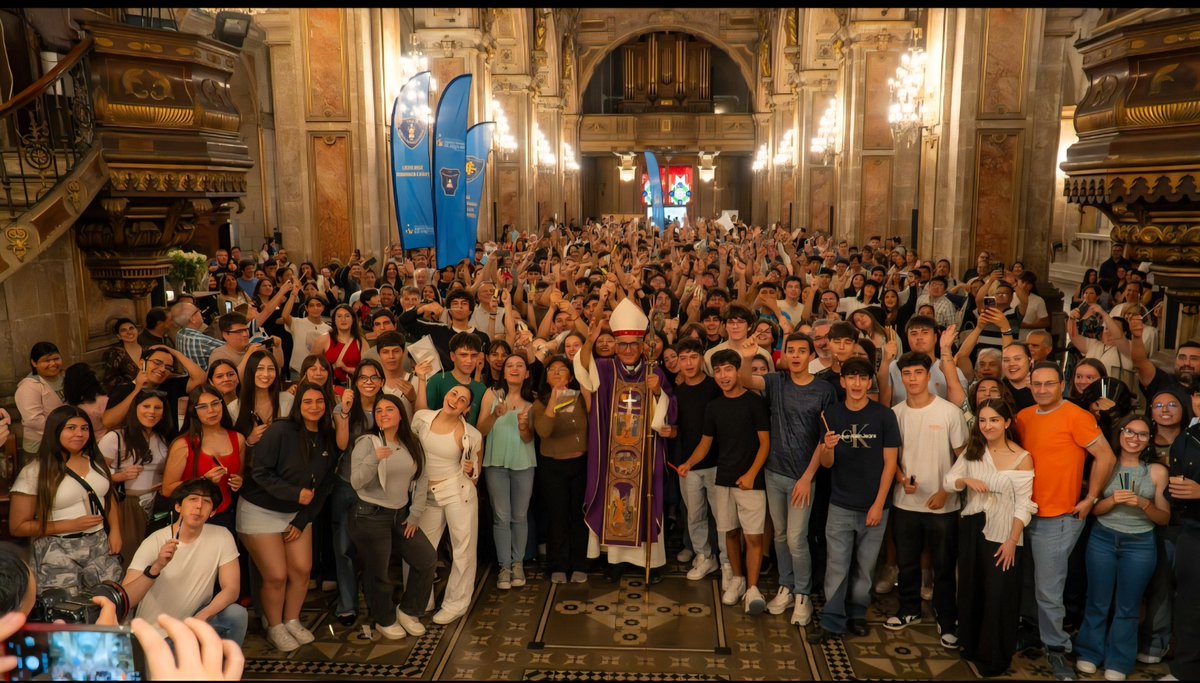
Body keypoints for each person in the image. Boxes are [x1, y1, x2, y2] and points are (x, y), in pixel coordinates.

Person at [1014, 361, 1117, 680]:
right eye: (1037, 384)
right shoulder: (1024, 417)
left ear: (1062, 384)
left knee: (1049, 588)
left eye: (1049, 383)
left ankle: (1057, 648)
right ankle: (1034, 633)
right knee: (1029, 583)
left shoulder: (1077, 415)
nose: (1042, 389)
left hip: (1059, 517)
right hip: (1025, 513)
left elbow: (1107, 456)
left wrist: (1092, 498)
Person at [735, 332, 835, 625]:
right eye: (790, 350)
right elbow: (745, 381)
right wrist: (747, 356)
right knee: (779, 535)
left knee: (796, 538)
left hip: (803, 477)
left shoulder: (823, 390)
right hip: (774, 472)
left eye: (801, 351)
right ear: (784, 354)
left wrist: (807, 477)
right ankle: (786, 586)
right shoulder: (776, 382)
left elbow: (824, 439)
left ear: (809, 356)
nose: (795, 356)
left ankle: (803, 594)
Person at [575, 298, 677, 582]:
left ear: (643, 345)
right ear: (616, 347)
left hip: (646, 451)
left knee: (646, 494)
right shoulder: (606, 369)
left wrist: (658, 393)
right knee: (615, 498)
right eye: (623, 345)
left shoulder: (654, 371)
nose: (629, 350)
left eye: (634, 344)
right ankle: (615, 561)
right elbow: (583, 369)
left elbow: (671, 407)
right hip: (612, 450)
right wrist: (591, 339)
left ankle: (651, 561)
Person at [806, 358, 900, 644]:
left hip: (875, 506)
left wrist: (878, 504)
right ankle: (833, 621)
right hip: (840, 504)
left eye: (863, 378)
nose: (857, 384)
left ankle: (857, 614)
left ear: (869, 382)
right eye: (851, 378)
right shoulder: (831, 415)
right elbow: (826, 462)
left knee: (865, 565)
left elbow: (890, 463)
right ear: (843, 382)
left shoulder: (884, 416)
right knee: (837, 564)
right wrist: (829, 448)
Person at [237, 382, 335, 652]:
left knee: (302, 570)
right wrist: (295, 494)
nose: (314, 407)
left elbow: (325, 486)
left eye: (319, 402)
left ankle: (291, 620)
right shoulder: (281, 430)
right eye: (307, 402)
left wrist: (302, 519)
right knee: (277, 575)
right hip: (260, 510)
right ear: (298, 405)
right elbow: (259, 472)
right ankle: (275, 625)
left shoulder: (327, 437)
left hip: (296, 514)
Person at [943, 399, 1035, 677]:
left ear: (1007, 422)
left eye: (994, 420)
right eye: (982, 420)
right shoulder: (974, 451)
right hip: (972, 525)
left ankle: (993, 658)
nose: (987, 426)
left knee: (998, 594)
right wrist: (965, 481)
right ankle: (970, 645)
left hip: (1003, 532)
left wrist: (1012, 540)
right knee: (971, 586)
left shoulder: (1022, 457)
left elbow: (1024, 505)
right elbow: (948, 481)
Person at [1074, 415, 1169, 681]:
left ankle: (1119, 660)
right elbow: (1093, 509)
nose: (1133, 438)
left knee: (1128, 606)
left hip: (1140, 544)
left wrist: (1144, 504)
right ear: (1120, 433)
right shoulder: (1106, 464)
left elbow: (1164, 517)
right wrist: (1112, 500)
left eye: (1141, 434)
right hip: (1102, 539)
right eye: (1129, 431)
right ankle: (1090, 653)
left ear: (1149, 440)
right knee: (1097, 600)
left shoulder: (1156, 471)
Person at [884, 352, 968, 648]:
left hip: (943, 505)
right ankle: (908, 610)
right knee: (906, 563)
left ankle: (947, 620)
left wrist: (946, 490)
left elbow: (964, 458)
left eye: (918, 373)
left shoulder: (949, 413)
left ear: (929, 377)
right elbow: (889, 458)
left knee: (944, 566)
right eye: (906, 374)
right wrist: (900, 479)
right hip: (905, 503)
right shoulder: (895, 414)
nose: (912, 379)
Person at [677, 349, 771, 614]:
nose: (723, 376)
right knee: (729, 531)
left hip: (751, 481)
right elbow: (705, 444)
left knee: (753, 537)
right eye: (718, 371)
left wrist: (752, 474)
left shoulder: (754, 402)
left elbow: (765, 443)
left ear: (738, 371)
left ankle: (752, 588)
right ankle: (738, 580)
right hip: (724, 478)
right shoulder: (714, 406)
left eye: (728, 369)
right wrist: (689, 463)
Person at [8, 406, 124, 594]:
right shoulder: (35, 471)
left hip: (100, 545)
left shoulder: (96, 461)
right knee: (65, 611)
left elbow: (108, 497)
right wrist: (68, 525)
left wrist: (115, 531)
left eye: (85, 428)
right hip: (57, 549)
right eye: (71, 428)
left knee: (108, 602)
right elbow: (18, 526)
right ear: (55, 431)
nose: (79, 433)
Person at [347, 394, 436, 640]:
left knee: (426, 559)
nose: (383, 414)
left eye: (389, 409)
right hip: (370, 516)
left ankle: (409, 610)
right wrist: (375, 459)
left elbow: (422, 477)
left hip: (401, 515)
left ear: (400, 414)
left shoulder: (411, 442)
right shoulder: (367, 442)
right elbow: (356, 482)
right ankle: (384, 619)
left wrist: (415, 514)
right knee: (379, 571)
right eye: (378, 411)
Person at [122, 478, 246, 645]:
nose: (199, 506)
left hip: (194, 625)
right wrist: (157, 566)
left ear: (213, 512)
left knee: (236, 614)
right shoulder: (155, 541)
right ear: (178, 506)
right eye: (193, 499)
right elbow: (126, 598)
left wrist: (204, 615)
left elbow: (231, 589)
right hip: (158, 635)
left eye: (206, 501)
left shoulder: (222, 536)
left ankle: (224, 669)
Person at [413, 385, 483, 625]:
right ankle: (421, 599)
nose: (455, 400)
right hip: (426, 496)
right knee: (421, 550)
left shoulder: (471, 434)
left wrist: (472, 469)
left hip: (457, 493)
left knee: (463, 550)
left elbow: (475, 471)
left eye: (462, 399)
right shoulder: (421, 418)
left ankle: (456, 603)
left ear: (466, 408)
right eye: (453, 393)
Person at [477, 353, 537, 590]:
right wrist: (495, 414)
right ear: (503, 372)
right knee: (501, 516)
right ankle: (504, 566)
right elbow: (481, 429)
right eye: (509, 365)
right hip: (495, 463)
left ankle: (518, 564)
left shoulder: (532, 401)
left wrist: (523, 425)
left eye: (519, 365)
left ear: (527, 373)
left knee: (519, 516)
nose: (514, 369)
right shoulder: (491, 395)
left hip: (524, 462)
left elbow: (528, 438)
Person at [670, 338, 727, 584]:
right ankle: (704, 555)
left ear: (701, 358)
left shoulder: (715, 387)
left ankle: (727, 562)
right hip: (688, 463)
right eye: (683, 358)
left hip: (716, 462)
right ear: (678, 362)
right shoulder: (677, 390)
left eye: (693, 357)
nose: (689, 363)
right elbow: (678, 425)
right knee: (694, 515)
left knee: (722, 518)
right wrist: (671, 431)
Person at [532, 355, 590, 584]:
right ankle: (558, 565)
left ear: (571, 376)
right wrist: (553, 403)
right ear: (546, 378)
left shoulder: (581, 400)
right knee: (557, 517)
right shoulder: (540, 404)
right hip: (552, 467)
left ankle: (580, 564)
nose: (556, 373)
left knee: (579, 515)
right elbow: (544, 432)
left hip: (580, 465)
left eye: (562, 369)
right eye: (552, 370)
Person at [98, 390, 170, 567]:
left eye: (157, 407)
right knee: (131, 556)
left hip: (157, 503)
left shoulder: (161, 438)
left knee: (155, 556)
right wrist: (119, 476)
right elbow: (93, 474)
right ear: (134, 409)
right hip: (127, 505)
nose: (151, 412)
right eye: (146, 406)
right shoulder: (115, 437)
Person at [162, 386, 245, 532]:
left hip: (224, 515)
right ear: (193, 411)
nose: (211, 410)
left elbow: (239, 474)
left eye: (215, 403)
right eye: (202, 407)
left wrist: (238, 481)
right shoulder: (183, 444)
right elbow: (167, 489)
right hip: (191, 517)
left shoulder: (238, 439)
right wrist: (203, 481)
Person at [420, 332, 487, 426]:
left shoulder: (481, 389)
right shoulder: (437, 381)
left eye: (474, 355)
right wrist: (421, 380)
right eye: (463, 355)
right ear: (452, 356)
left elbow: (479, 428)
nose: (469, 360)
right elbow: (421, 415)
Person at [15, 342, 66, 457]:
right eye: (46, 360)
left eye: (56, 358)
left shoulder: (65, 376)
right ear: (34, 363)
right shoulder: (29, 386)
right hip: (40, 445)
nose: (53, 364)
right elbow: (33, 420)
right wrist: (63, 430)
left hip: (65, 440)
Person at [310, 304, 366, 386]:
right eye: (339, 316)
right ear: (334, 320)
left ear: (353, 319)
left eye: (347, 316)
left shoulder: (361, 342)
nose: (343, 319)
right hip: (329, 386)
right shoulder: (324, 339)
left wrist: (347, 369)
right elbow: (311, 365)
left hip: (355, 386)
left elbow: (368, 370)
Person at [171, 302, 224, 371]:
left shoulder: (180, 333)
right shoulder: (200, 341)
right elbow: (232, 349)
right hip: (205, 380)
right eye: (197, 311)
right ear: (192, 319)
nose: (200, 312)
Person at [288, 296, 331, 376]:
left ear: (323, 307)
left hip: (318, 371)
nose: (315, 308)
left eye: (318, 305)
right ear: (306, 308)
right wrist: (293, 295)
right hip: (297, 370)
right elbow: (285, 316)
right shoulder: (297, 322)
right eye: (311, 305)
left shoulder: (329, 329)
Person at [103, 318, 143, 392]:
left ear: (137, 331)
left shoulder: (147, 349)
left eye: (131, 328)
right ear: (119, 336)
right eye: (123, 330)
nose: (129, 332)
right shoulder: (115, 353)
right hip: (127, 394)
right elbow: (109, 381)